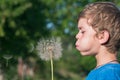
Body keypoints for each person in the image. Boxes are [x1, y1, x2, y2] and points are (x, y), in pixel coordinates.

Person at [75, 2, 120, 80]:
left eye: (82, 31)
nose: (77, 36)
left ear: (102, 36)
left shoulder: (109, 73)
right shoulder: (102, 72)